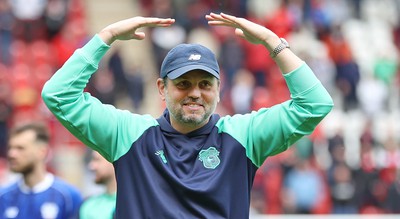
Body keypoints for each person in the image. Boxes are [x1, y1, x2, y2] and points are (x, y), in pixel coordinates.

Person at [41, 12, 334, 218]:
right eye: (183, 84)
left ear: (220, 90)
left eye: (205, 84)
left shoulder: (243, 135)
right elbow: (58, 95)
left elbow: (315, 104)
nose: (195, 93)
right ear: (161, 88)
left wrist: (273, 41)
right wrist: (106, 36)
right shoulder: (129, 134)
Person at [0, 122, 83, 219]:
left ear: (42, 152)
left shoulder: (68, 196)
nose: (11, 154)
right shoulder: (3, 196)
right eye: (10, 148)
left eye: (20, 148)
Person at [79, 150, 117, 219]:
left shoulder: (131, 204)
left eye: (97, 160)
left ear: (113, 162)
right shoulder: (88, 203)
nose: (91, 166)